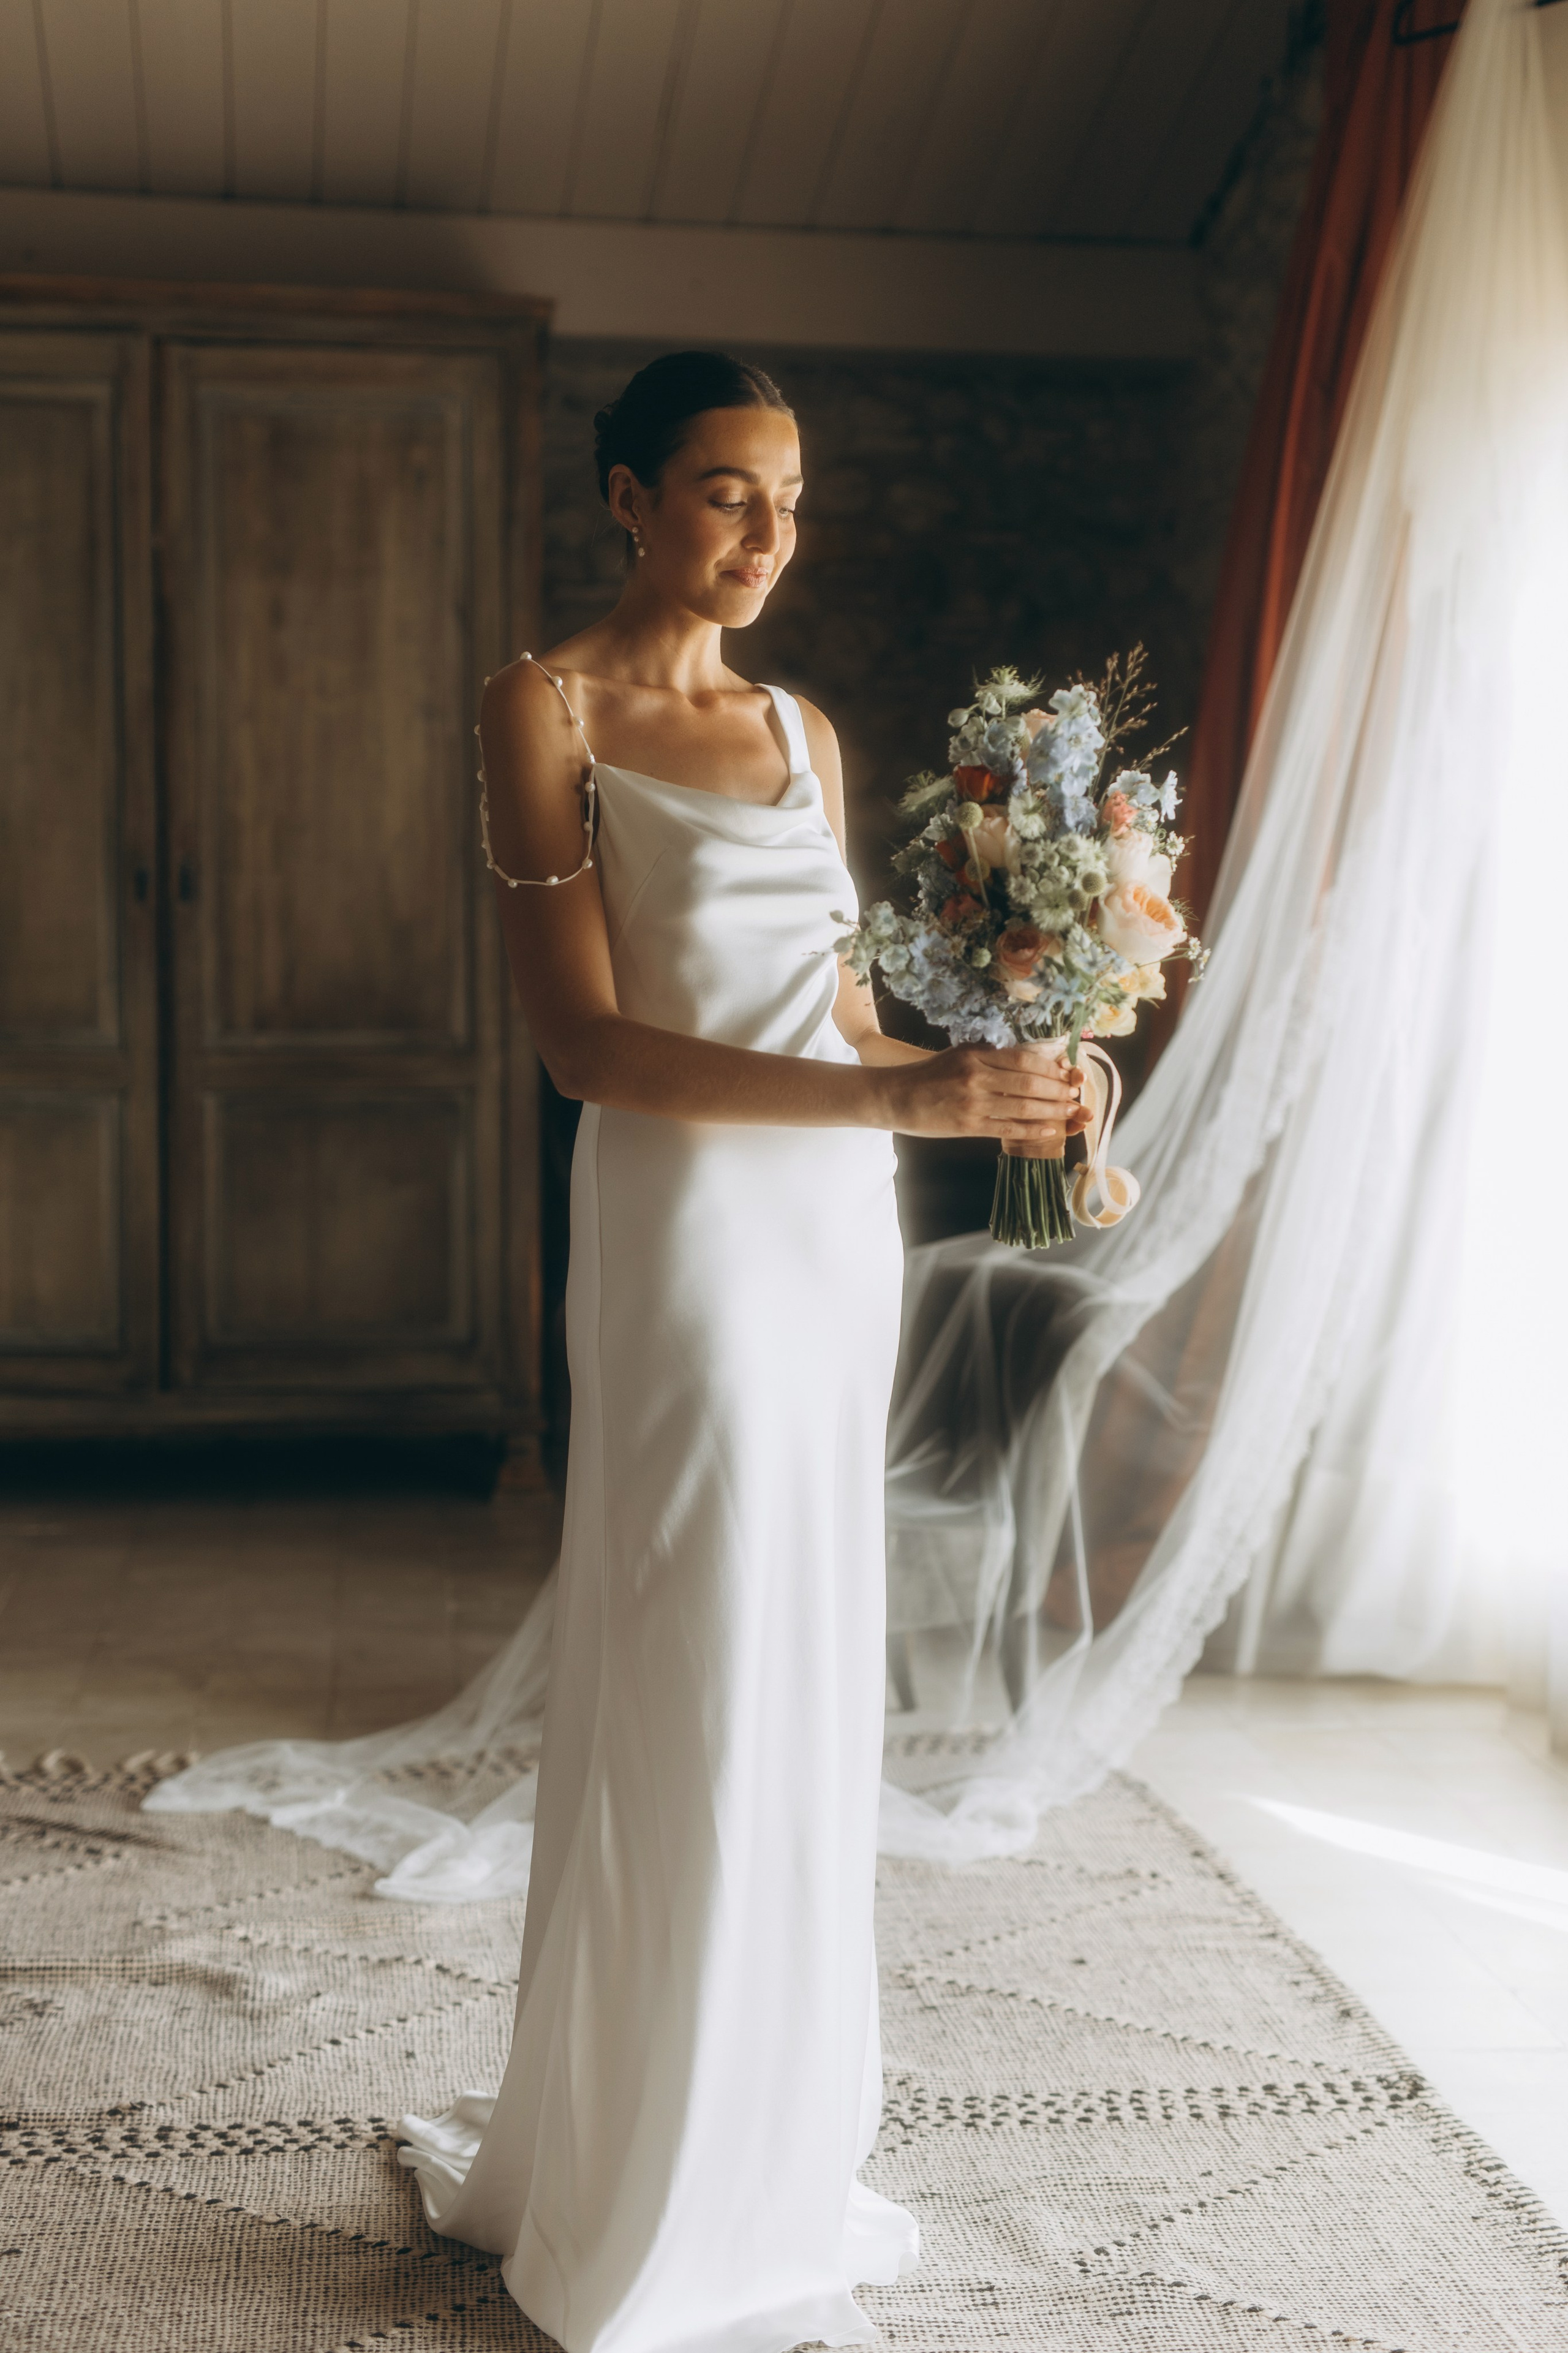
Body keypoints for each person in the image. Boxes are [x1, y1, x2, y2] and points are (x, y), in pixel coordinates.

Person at [390, 349, 1085, 2353]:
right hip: (683, 1233)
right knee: (689, 1639)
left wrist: (990, 1083)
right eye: (724, 494)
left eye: (789, 499)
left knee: (797, 1656)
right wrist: (901, 1108)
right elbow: (588, 1048)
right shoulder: (547, 706)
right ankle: (635, 2183)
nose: (770, 536)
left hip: (826, 1235)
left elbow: (836, 1020)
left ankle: (767, 2149)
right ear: (627, 498)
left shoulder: (807, 728)